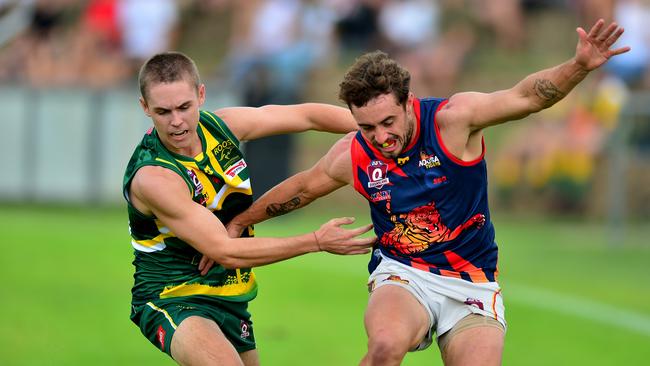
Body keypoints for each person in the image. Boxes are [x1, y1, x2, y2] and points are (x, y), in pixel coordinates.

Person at [226, 19, 630, 365]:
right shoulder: (355, 151)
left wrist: (579, 66)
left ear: (409, 103)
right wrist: (241, 221)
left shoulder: (454, 121)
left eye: (387, 122)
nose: (381, 137)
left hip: (472, 281)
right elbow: (302, 188)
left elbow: (526, 97)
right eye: (367, 127)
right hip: (403, 274)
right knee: (384, 347)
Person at [122, 51, 375, 366]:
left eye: (184, 107)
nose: (176, 122)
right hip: (174, 298)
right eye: (163, 111)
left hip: (230, 293)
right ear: (145, 107)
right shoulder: (154, 177)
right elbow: (225, 251)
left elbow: (307, 116)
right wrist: (316, 241)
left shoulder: (222, 126)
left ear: (201, 95)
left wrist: (377, 127)